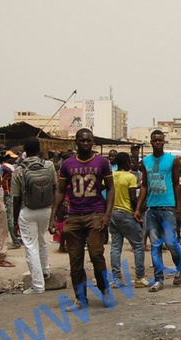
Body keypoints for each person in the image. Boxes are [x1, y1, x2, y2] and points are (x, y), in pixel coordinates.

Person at [48, 129, 115, 309]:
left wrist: (107, 214)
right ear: (76, 142)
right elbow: (60, 191)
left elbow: (110, 188)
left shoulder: (102, 162)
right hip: (74, 215)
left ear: (93, 142)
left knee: (96, 255)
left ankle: (104, 289)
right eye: (82, 140)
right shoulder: (67, 164)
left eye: (88, 141)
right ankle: (80, 298)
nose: (85, 143)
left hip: (95, 213)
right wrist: (53, 218)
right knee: (75, 260)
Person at [135, 130, 181, 292]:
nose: (157, 143)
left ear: (164, 142)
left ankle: (180, 267)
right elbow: (144, 185)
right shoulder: (145, 162)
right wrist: (138, 208)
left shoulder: (172, 160)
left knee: (170, 243)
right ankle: (158, 279)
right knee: (155, 245)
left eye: (160, 140)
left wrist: (178, 208)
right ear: (151, 142)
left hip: (168, 207)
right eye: (155, 140)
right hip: (152, 208)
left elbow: (176, 184)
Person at [12, 137, 57, 294]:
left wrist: (15, 222)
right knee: (42, 239)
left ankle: (38, 285)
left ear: (24, 151)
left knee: (31, 246)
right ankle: (45, 270)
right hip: (46, 209)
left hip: (28, 210)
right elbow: (55, 187)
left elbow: (16, 198)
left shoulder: (18, 170)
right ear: (39, 150)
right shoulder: (49, 165)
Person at [109, 153, 147, 288]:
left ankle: (116, 278)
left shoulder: (111, 176)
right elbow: (132, 198)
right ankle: (139, 277)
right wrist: (138, 210)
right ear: (126, 163)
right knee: (138, 245)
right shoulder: (130, 177)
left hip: (112, 213)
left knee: (115, 246)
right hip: (126, 213)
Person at [2, 151, 23, 249]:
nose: (14, 159)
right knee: (10, 217)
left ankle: (15, 239)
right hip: (8, 193)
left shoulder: (3, 167)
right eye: (12, 157)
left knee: (8, 217)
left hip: (5, 193)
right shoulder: (9, 167)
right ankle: (16, 239)